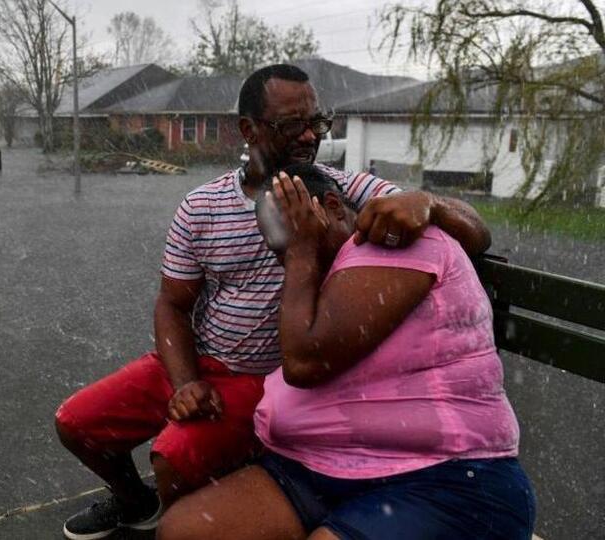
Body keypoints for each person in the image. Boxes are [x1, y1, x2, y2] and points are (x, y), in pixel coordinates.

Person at [53, 63, 492, 540]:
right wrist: (185, 382)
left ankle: (184, 510)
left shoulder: (340, 190)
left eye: (317, 122)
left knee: (174, 456)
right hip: (196, 359)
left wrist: (429, 202)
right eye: (292, 124)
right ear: (249, 130)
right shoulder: (201, 206)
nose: (310, 135)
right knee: (77, 424)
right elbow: (172, 305)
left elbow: (476, 232)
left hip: (261, 378)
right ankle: (137, 504)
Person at [156, 165, 534, 540]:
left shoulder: (395, 241)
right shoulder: (327, 271)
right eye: (279, 251)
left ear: (334, 207)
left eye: (293, 236)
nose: (285, 261)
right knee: (183, 531)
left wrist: (301, 252)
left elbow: (305, 361)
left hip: (442, 475)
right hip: (315, 468)